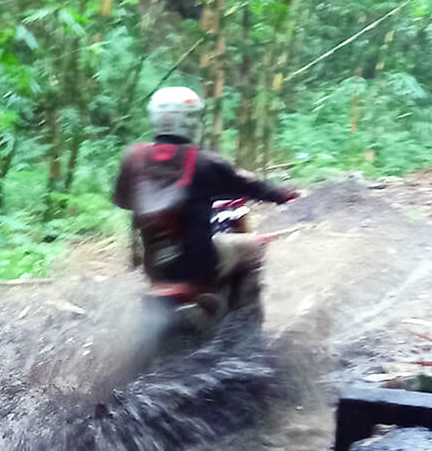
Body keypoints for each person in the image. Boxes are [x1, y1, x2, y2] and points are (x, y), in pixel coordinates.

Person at [113, 86, 298, 296]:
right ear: (189, 121)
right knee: (253, 249)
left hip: (155, 271)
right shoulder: (204, 163)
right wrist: (283, 195)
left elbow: (123, 201)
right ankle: (247, 321)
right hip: (199, 269)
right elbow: (250, 188)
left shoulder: (133, 158)